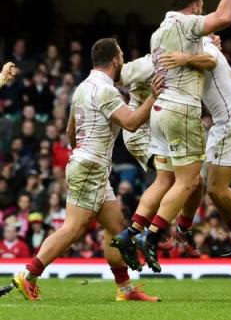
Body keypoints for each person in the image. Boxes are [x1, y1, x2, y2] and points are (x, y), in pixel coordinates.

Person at [126, 0, 231, 273]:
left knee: (190, 182)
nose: (203, 13)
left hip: (161, 112)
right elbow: (224, 18)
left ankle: (141, 231)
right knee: (192, 182)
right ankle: (152, 236)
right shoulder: (188, 25)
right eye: (201, 6)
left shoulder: (160, 33)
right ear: (193, 5)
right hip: (185, 110)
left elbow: (210, 58)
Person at [114, 36, 231, 280]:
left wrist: (186, 56)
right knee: (197, 185)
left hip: (230, 125)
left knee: (206, 187)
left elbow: (214, 64)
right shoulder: (173, 55)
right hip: (182, 126)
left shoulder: (199, 51)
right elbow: (121, 73)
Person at [12, 38, 161, 302]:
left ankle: (125, 290)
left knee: (115, 227)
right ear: (115, 60)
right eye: (122, 56)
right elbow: (132, 123)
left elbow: (70, 130)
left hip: (90, 165)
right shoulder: (105, 90)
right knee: (74, 228)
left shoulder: (82, 88)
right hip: (91, 166)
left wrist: (80, 154)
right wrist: (153, 96)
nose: (124, 60)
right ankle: (29, 275)